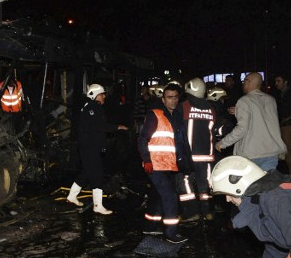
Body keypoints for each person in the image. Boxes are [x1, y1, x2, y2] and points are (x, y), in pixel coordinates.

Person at [137, 83, 193, 243]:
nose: (173, 100)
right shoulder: (156, 115)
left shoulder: (175, 117)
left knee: (158, 196)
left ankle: (149, 226)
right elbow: (142, 139)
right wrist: (146, 160)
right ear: (163, 99)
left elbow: (179, 142)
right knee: (170, 197)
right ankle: (171, 233)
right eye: (169, 97)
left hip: (169, 165)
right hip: (155, 165)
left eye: (176, 97)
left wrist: (184, 162)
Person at [66, 84, 128, 215]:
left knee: (87, 173)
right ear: (95, 95)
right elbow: (100, 126)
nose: (104, 96)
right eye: (102, 94)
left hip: (88, 146)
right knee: (97, 175)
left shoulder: (90, 107)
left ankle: (72, 196)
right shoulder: (93, 107)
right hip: (89, 147)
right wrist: (117, 127)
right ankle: (98, 205)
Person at [216, 72, 286, 172]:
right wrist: (239, 111)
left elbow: (242, 129)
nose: (243, 83)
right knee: (267, 185)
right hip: (271, 152)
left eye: (244, 81)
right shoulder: (271, 100)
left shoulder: (244, 101)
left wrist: (222, 143)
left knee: (251, 186)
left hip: (252, 154)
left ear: (249, 82)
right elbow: (262, 118)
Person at [176, 78, 217, 221]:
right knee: (205, 184)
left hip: (189, 155)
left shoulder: (183, 107)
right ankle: (208, 212)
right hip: (207, 156)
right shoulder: (211, 109)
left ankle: (191, 212)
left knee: (184, 183)